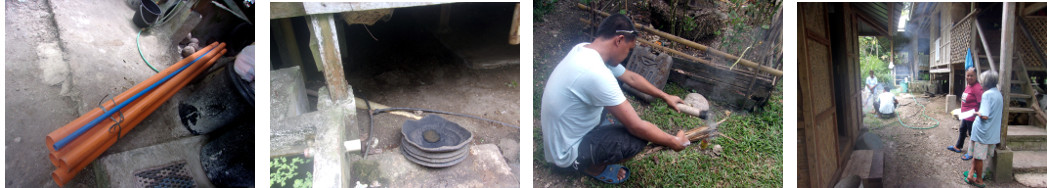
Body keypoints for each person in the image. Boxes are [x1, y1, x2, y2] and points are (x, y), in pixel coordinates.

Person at [540, 14, 690, 184]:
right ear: (619, 40)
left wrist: (665, 96)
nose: (627, 55)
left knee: (611, 100)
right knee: (636, 139)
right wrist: (673, 141)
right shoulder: (595, 73)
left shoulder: (584, 49)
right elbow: (636, 127)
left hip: (561, 136)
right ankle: (591, 167)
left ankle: (594, 137)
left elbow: (631, 78)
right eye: (629, 49)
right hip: (565, 155)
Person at [964, 71, 1002, 187]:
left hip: (982, 131)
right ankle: (971, 174)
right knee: (977, 154)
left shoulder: (986, 95)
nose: (980, 83)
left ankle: (979, 180)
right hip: (992, 130)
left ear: (986, 82)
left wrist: (975, 113)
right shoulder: (998, 94)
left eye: (981, 81)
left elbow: (984, 115)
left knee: (978, 156)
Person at [948, 68, 982, 160]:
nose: (969, 77)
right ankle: (958, 147)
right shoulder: (969, 85)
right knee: (962, 130)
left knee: (972, 135)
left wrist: (977, 115)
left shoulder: (977, 88)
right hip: (965, 115)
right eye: (968, 75)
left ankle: (972, 153)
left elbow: (981, 103)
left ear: (976, 76)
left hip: (972, 117)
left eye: (972, 75)